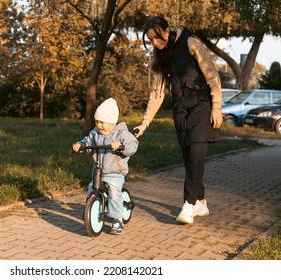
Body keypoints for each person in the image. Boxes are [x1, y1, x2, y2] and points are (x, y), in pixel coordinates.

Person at [134, 16, 223, 225]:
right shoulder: (160, 57)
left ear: (166, 30)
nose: (154, 43)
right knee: (188, 158)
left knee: (196, 154)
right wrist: (144, 123)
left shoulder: (191, 42)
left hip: (202, 107)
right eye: (150, 40)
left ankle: (188, 204)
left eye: (156, 38)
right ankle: (201, 201)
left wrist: (217, 108)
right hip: (180, 112)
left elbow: (212, 76)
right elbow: (156, 94)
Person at [73, 98, 138, 234]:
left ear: (112, 121)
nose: (99, 125)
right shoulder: (95, 133)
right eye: (97, 122)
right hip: (98, 171)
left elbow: (133, 145)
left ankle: (117, 220)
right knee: (91, 189)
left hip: (115, 172)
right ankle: (90, 211)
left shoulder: (121, 133)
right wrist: (80, 145)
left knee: (114, 193)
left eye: (102, 122)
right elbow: (87, 141)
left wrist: (121, 146)